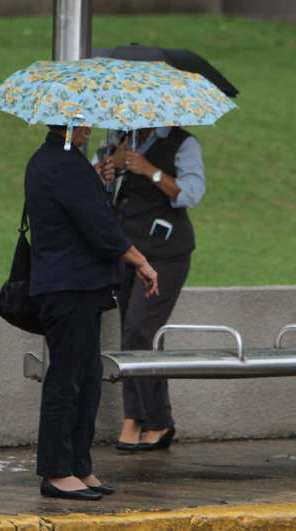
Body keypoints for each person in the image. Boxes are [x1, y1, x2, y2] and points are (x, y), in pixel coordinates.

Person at [25, 124, 159, 500]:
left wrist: (94, 180)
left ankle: (78, 466)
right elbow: (100, 228)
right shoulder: (63, 163)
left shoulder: (60, 161)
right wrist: (141, 261)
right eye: (81, 120)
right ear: (65, 124)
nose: (88, 126)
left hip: (77, 286)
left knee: (84, 378)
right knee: (67, 380)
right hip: (69, 287)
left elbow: (81, 211)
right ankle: (56, 471)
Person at [100, 126, 206, 451]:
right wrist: (107, 168)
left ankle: (148, 419)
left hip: (166, 252)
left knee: (140, 328)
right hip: (127, 249)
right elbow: (93, 186)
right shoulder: (117, 138)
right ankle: (150, 417)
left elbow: (192, 193)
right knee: (133, 330)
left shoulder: (182, 143)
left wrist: (149, 171)